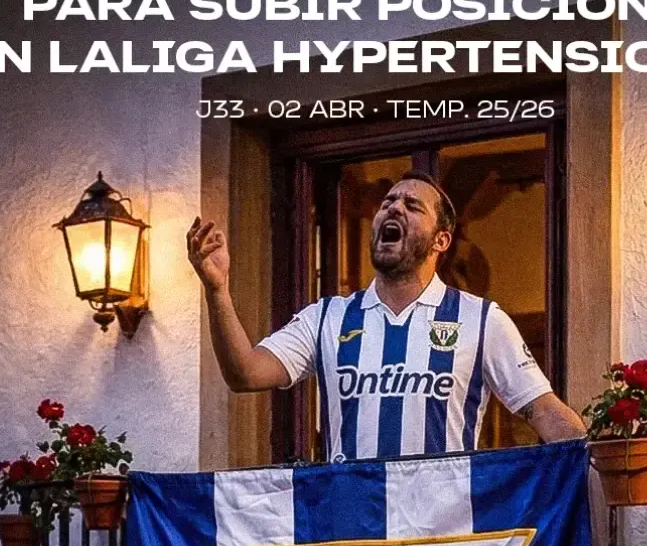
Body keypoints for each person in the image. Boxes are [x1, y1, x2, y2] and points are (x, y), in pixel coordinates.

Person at [187, 170, 585, 461]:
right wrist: (217, 290)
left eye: (412, 206)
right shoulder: (327, 318)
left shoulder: (481, 319)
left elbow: (544, 411)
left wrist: (597, 454)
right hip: (353, 537)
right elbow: (245, 373)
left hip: (442, 540)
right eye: (387, 203)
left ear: (441, 240)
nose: (394, 207)